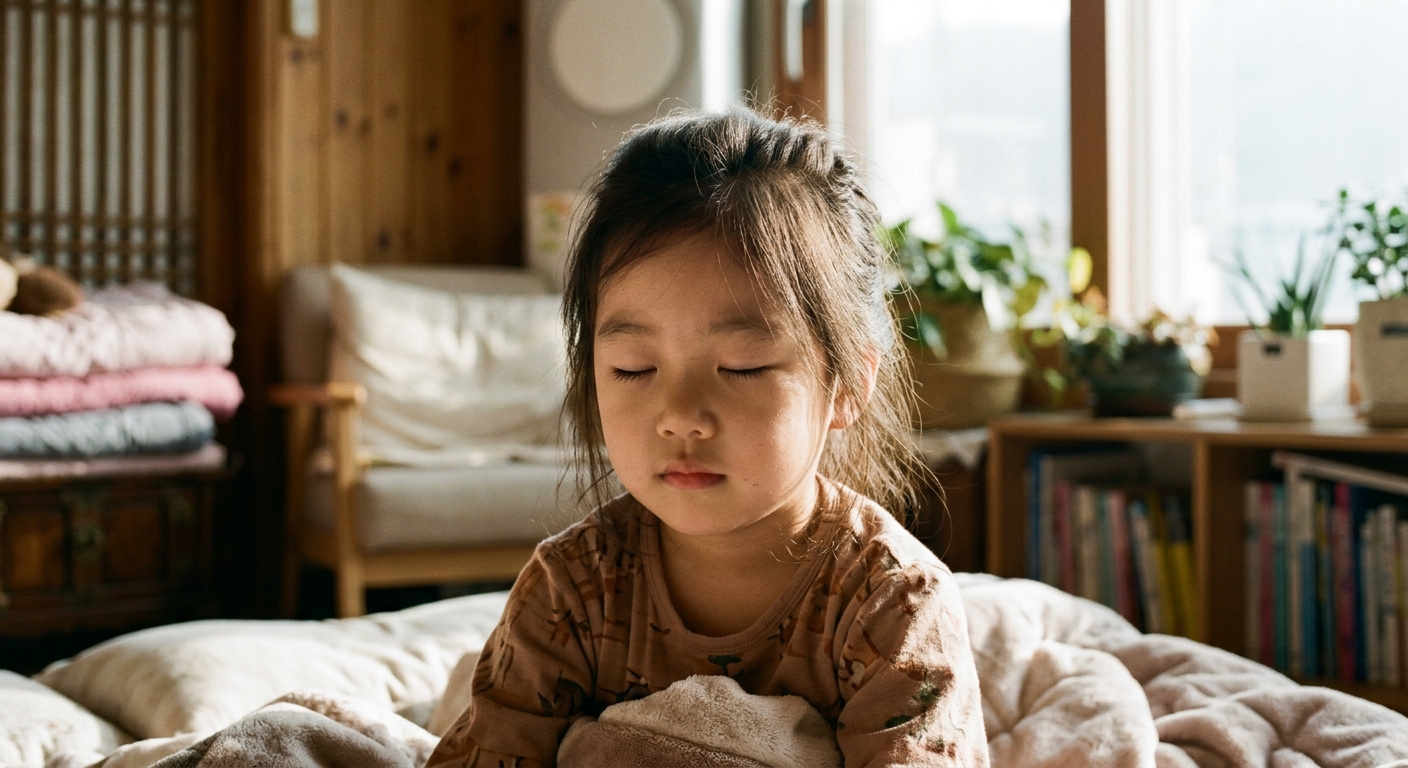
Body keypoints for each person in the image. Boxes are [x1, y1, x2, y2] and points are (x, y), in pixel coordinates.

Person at [428, 107, 988, 767]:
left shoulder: (893, 605)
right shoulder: (570, 590)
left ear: (847, 385)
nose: (680, 415)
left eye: (742, 368)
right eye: (633, 369)